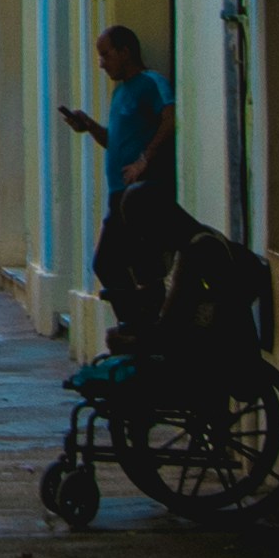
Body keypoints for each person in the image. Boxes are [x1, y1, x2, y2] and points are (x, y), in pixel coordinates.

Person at [60, 24, 181, 339]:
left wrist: (145, 160)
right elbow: (115, 141)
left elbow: (169, 120)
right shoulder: (120, 92)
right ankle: (139, 323)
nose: (102, 63)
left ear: (126, 51)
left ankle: (147, 324)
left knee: (125, 262)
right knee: (112, 264)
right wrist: (88, 126)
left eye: (106, 54)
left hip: (139, 195)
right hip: (118, 194)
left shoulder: (151, 83)